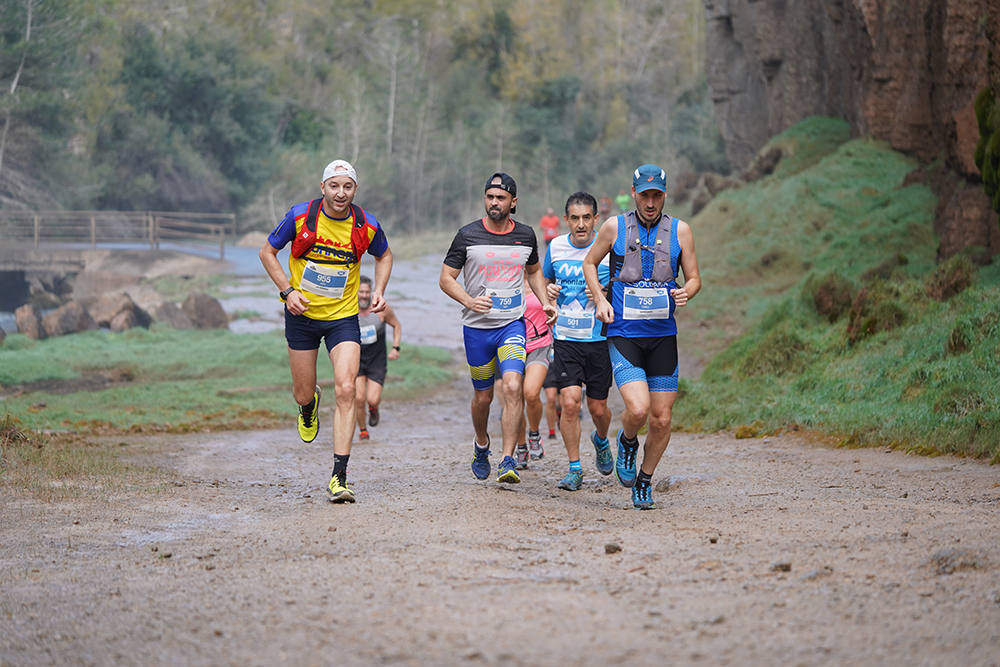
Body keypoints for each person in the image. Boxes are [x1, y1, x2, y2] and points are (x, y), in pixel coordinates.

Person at [260, 159, 392, 504]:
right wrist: (288, 292)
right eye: (334, 186)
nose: (340, 193)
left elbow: (385, 256)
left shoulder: (366, 224)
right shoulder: (300, 216)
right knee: (303, 393)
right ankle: (308, 406)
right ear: (323, 188)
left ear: (355, 190)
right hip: (301, 316)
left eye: (347, 186)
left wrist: (379, 290)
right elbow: (267, 252)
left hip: (343, 318)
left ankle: (339, 476)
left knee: (348, 389)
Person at [582, 164, 701, 510]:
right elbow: (590, 263)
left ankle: (644, 481)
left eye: (657, 195)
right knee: (638, 408)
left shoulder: (681, 231)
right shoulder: (614, 227)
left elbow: (694, 278)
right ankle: (627, 439)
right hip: (625, 333)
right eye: (645, 195)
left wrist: (687, 292)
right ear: (633, 193)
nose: (650, 202)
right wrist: (601, 300)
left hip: (663, 335)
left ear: (665, 195)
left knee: (662, 419)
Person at [439, 172, 555, 484]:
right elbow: (445, 278)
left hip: (511, 325)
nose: (494, 202)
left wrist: (545, 301)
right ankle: (481, 444)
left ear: (513, 202)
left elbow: (534, 273)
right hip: (477, 329)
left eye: (501, 197)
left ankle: (507, 460)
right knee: (483, 397)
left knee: (513, 386)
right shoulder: (467, 235)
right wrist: (469, 300)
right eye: (490, 196)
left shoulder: (526, 236)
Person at [543, 191, 614, 491]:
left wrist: (604, 295)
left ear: (596, 219)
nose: (581, 224)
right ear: (566, 220)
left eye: (587, 218)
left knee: (598, 409)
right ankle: (574, 468)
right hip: (566, 338)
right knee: (569, 403)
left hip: (598, 339)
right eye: (575, 218)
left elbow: (622, 289)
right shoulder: (556, 247)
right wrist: (547, 293)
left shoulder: (610, 248)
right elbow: (543, 279)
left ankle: (600, 439)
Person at [355, 275, 402, 441]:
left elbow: (397, 325)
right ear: (355, 292)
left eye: (367, 292)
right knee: (359, 398)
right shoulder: (349, 310)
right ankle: (363, 431)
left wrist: (395, 348)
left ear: (371, 292)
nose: (364, 295)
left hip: (377, 359)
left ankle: (373, 408)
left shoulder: (381, 309)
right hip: (356, 360)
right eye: (361, 292)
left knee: (372, 399)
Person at [514, 291, 553, 468]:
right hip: (512, 345)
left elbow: (556, 308)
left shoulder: (542, 282)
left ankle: (534, 434)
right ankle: (521, 447)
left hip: (539, 343)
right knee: (515, 399)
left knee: (530, 393)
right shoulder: (505, 281)